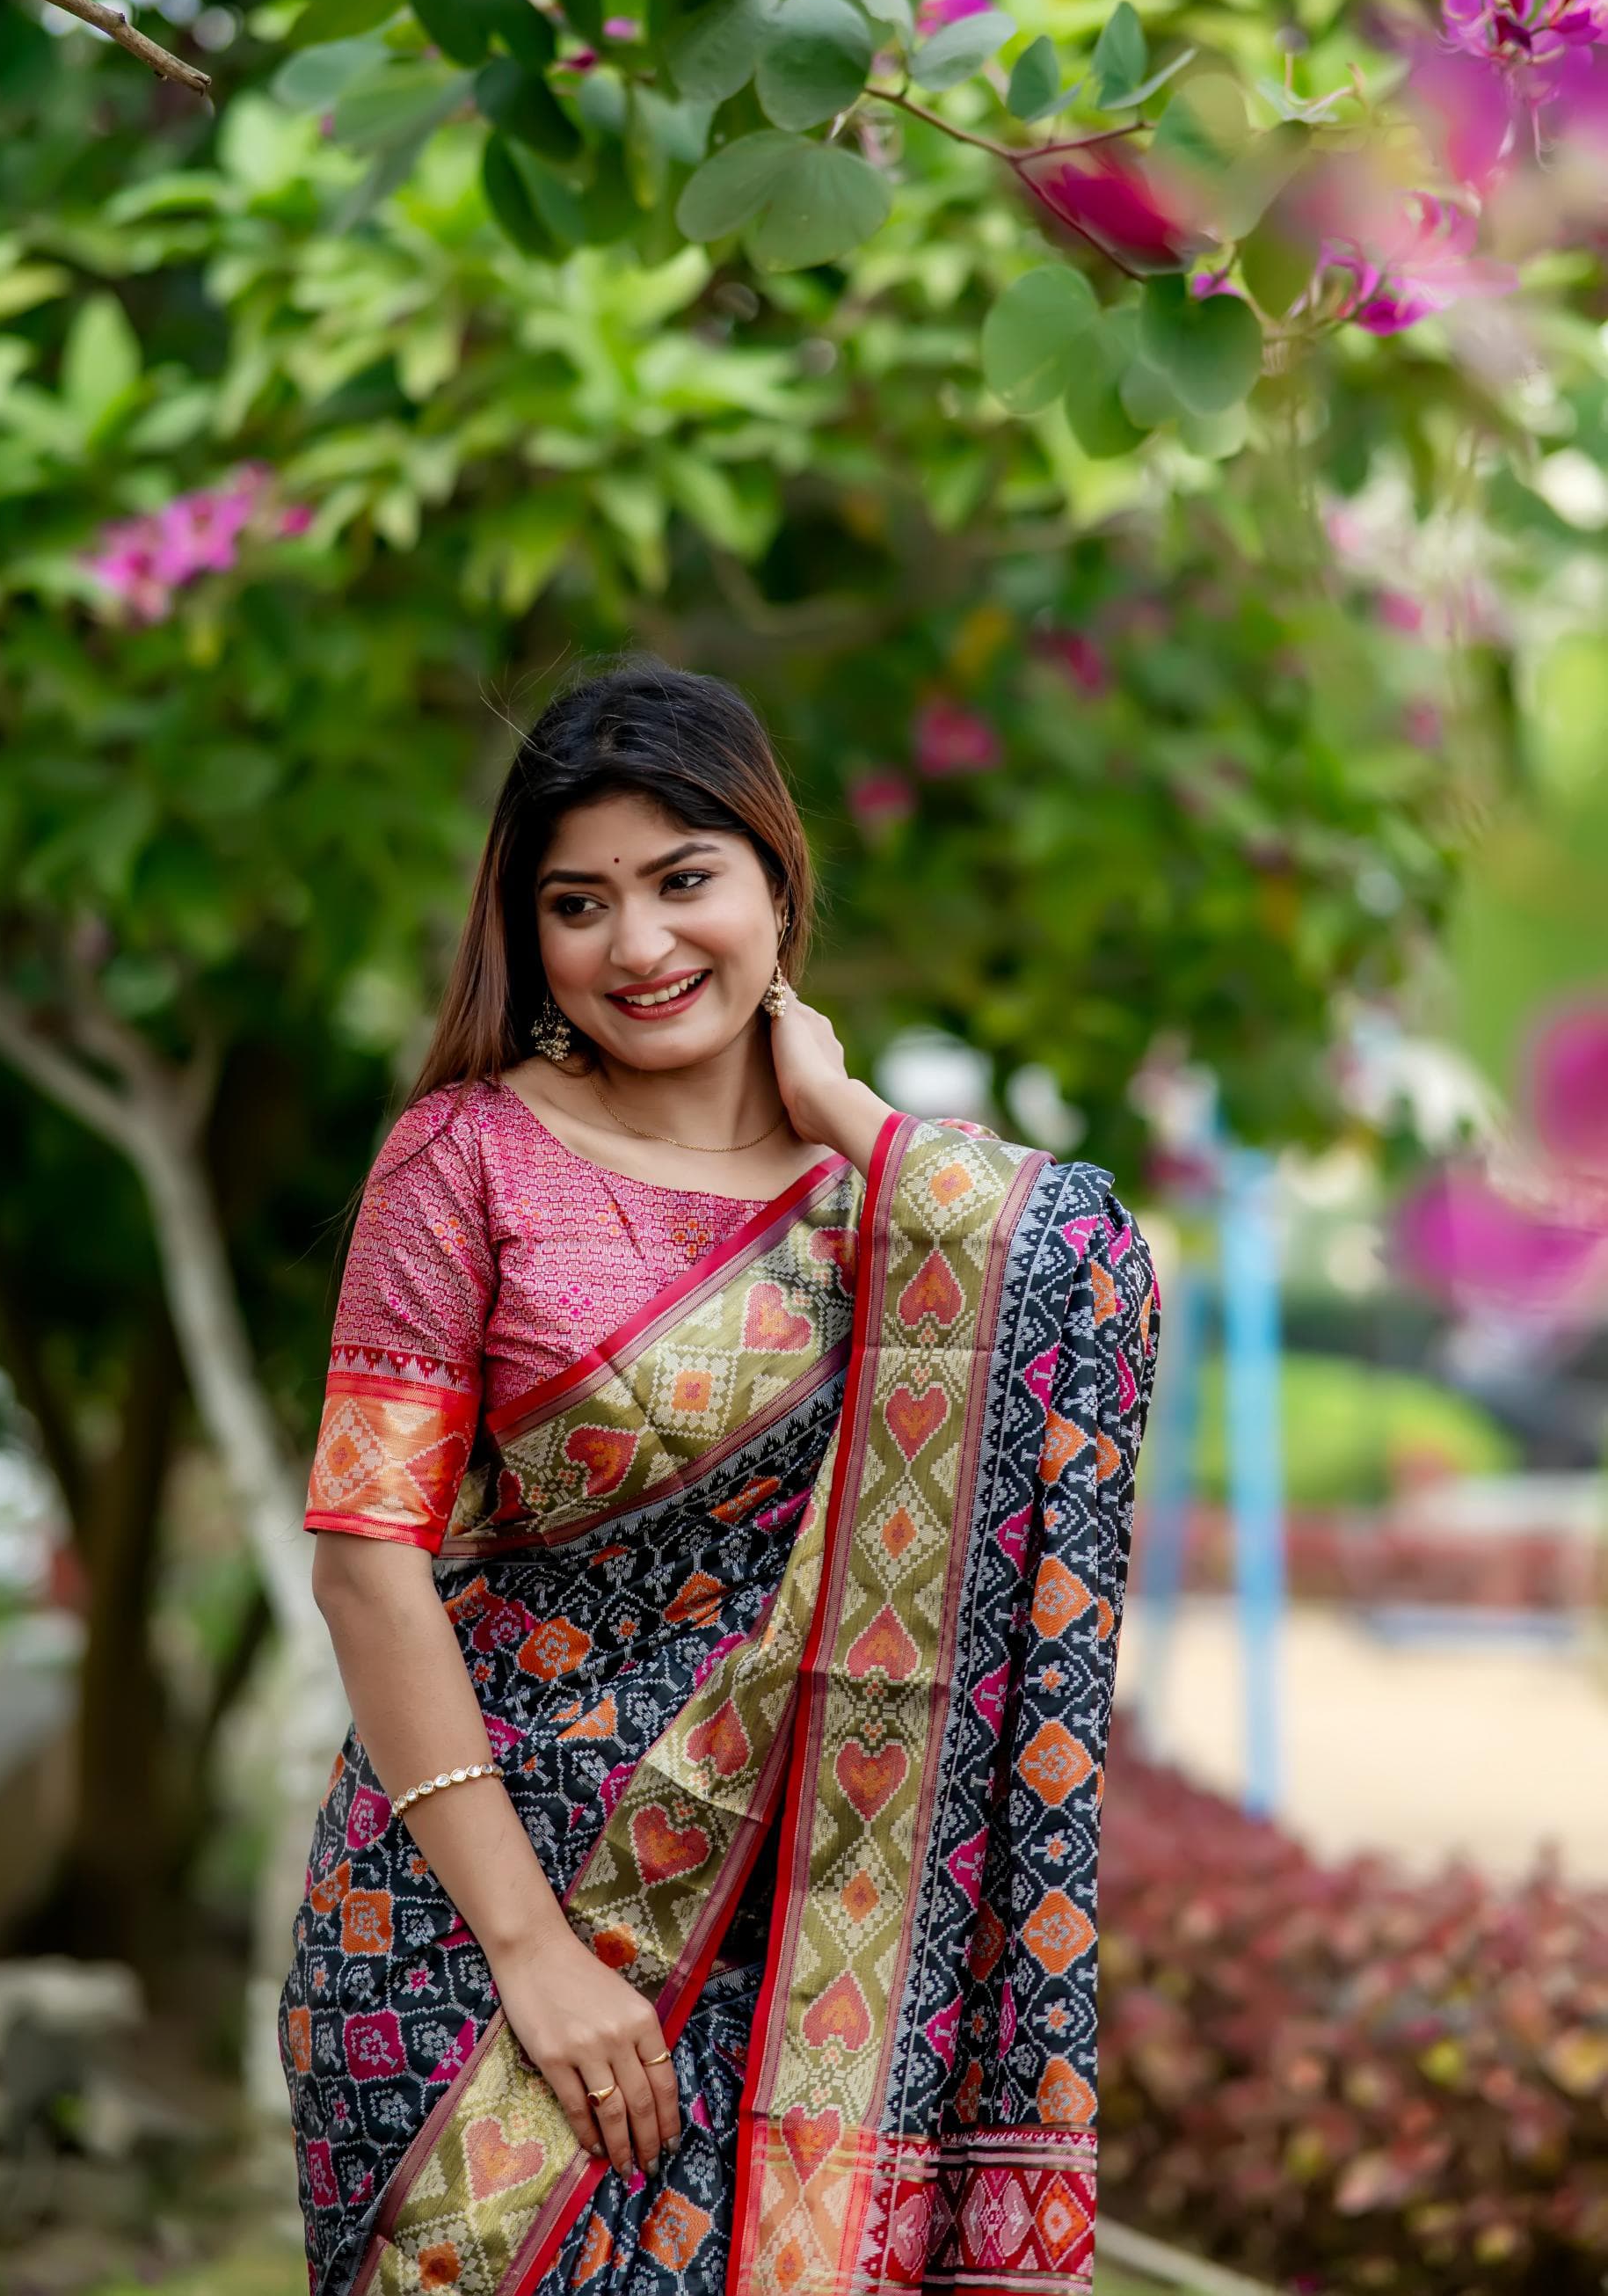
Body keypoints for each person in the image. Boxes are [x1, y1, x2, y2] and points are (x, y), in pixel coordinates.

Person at [284, 660, 1158, 2296]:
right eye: (579, 902)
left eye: (683, 880)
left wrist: (848, 1117)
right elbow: (363, 1563)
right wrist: (535, 1954)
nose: (637, 945)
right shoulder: (465, 1160)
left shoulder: (900, 1201)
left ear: (776, 880)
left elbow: (1090, 1278)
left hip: (827, 1949)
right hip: (475, 1933)